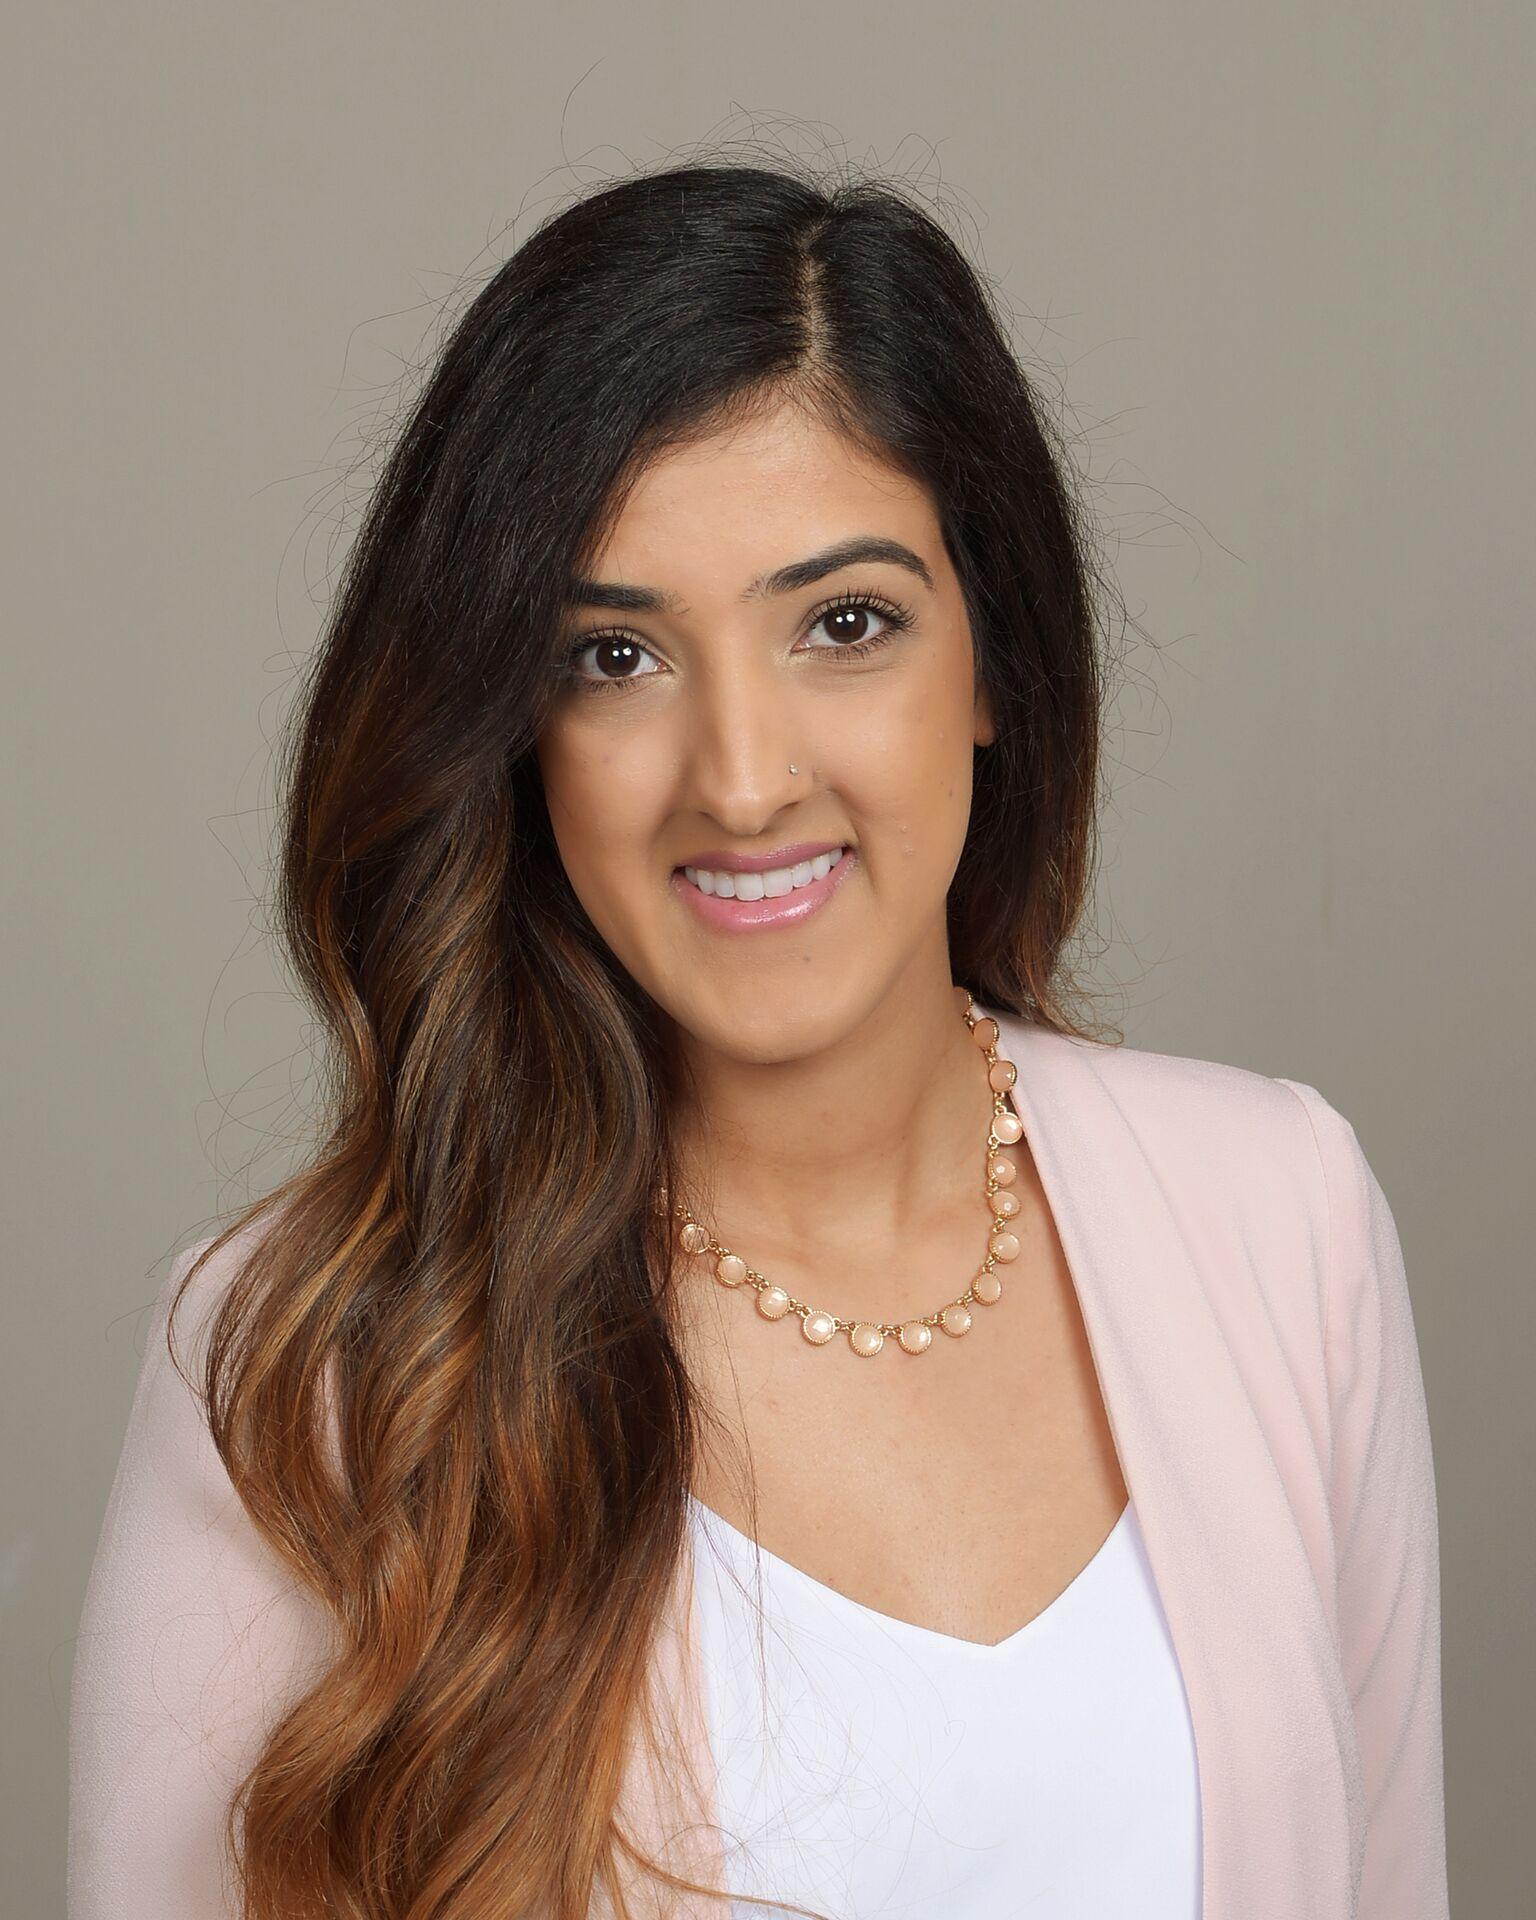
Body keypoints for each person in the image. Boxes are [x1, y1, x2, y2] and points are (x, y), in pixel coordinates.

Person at [67, 160, 1449, 1920]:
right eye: (614, 657)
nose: (739, 778)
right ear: (515, 730)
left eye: (844, 625)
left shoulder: (1283, 1213)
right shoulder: (317, 1360)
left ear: (995, 664)